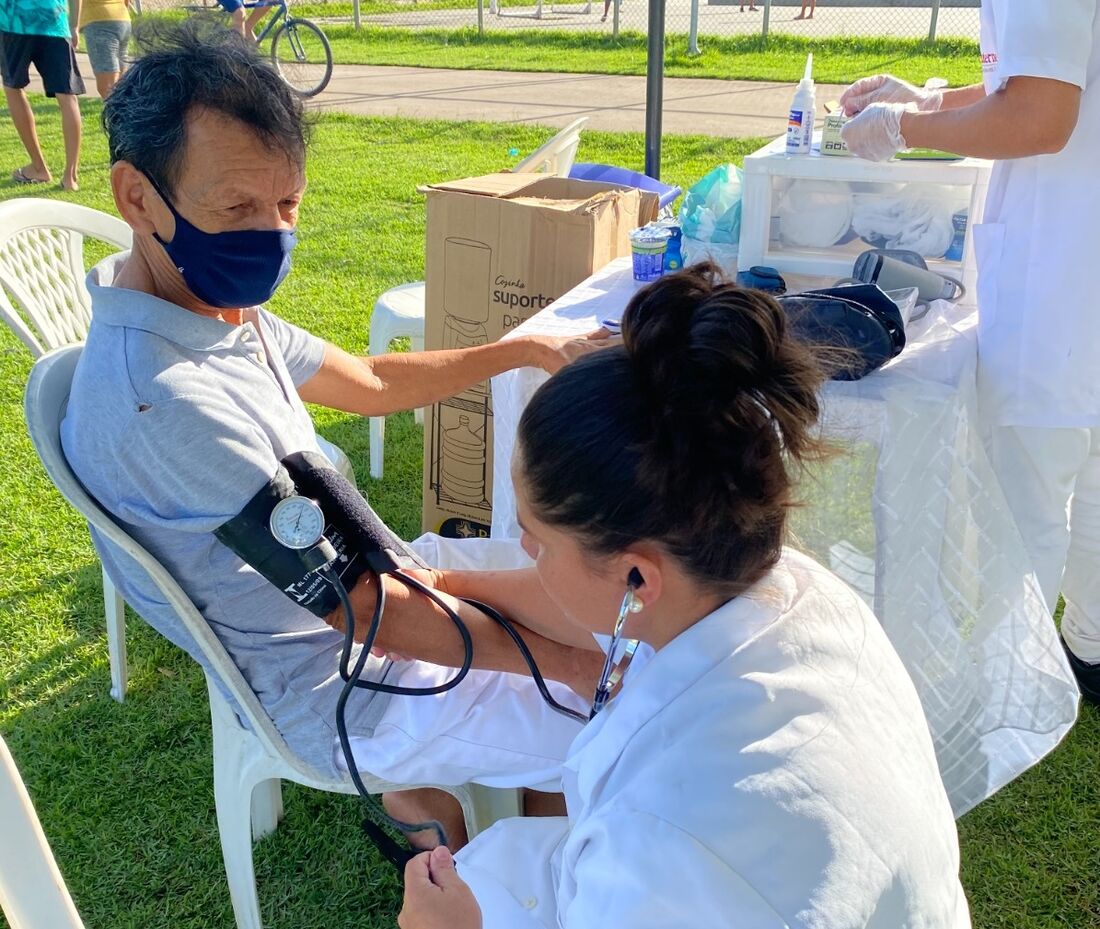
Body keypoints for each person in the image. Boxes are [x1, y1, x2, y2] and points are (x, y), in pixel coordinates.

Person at [61, 20, 611, 847]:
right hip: (348, 684)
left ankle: (450, 812)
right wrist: (571, 670)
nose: (269, 233)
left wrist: (521, 347)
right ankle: (537, 864)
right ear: (136, 195)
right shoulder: (166, 400)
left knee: (600, 598)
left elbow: (374, 382)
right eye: (237, 206)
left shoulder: (203, 308)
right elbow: (362, 613)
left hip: (378, 590)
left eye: (286, 204)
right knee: (614, 712)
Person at [397, 266, 972, 928]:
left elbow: (659, 863)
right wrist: (445, 582)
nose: (522, 555)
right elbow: (575, 599)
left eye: (534, 540)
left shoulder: (666, 843)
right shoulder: (802, 592)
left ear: (637, 578)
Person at [838, 2, 1100, 704]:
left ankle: (1006, 695)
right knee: (1091, 475)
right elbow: (1032, 84)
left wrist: (906, 126)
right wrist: (925, 100)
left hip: (1064, 278)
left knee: (1025, 505)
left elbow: (1039, 116)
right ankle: (1090, 648)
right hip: (1079, 265)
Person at [1, 0, 84, 190]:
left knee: (13, 89)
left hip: (13, 20)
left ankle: (39, 167)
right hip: (54, 20)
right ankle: (70, 177)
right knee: (67, 95)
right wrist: (74, 25)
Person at [78, 0, 130, 98]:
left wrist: (73, 27)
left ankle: (115, 112)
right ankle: (125, 111)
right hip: (122, 17)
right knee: (121, 84)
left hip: (99, 20)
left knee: (107, 87)